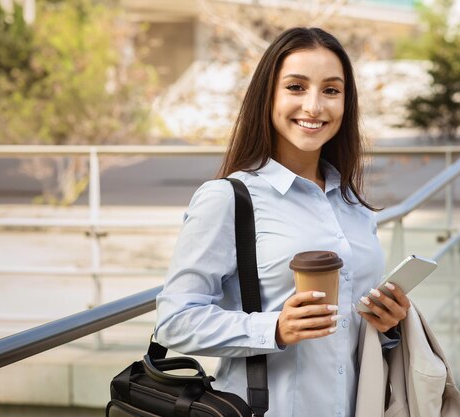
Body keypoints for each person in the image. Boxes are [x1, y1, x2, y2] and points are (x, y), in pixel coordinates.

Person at [154, 27, 411, 417]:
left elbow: (349, 333)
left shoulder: (353, 207)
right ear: (268, 96)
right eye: (295, 87)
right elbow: (174, 321)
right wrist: (273, 329)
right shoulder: (229, 199)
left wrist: (387, 326)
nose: (314, 106)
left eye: (330, 90)